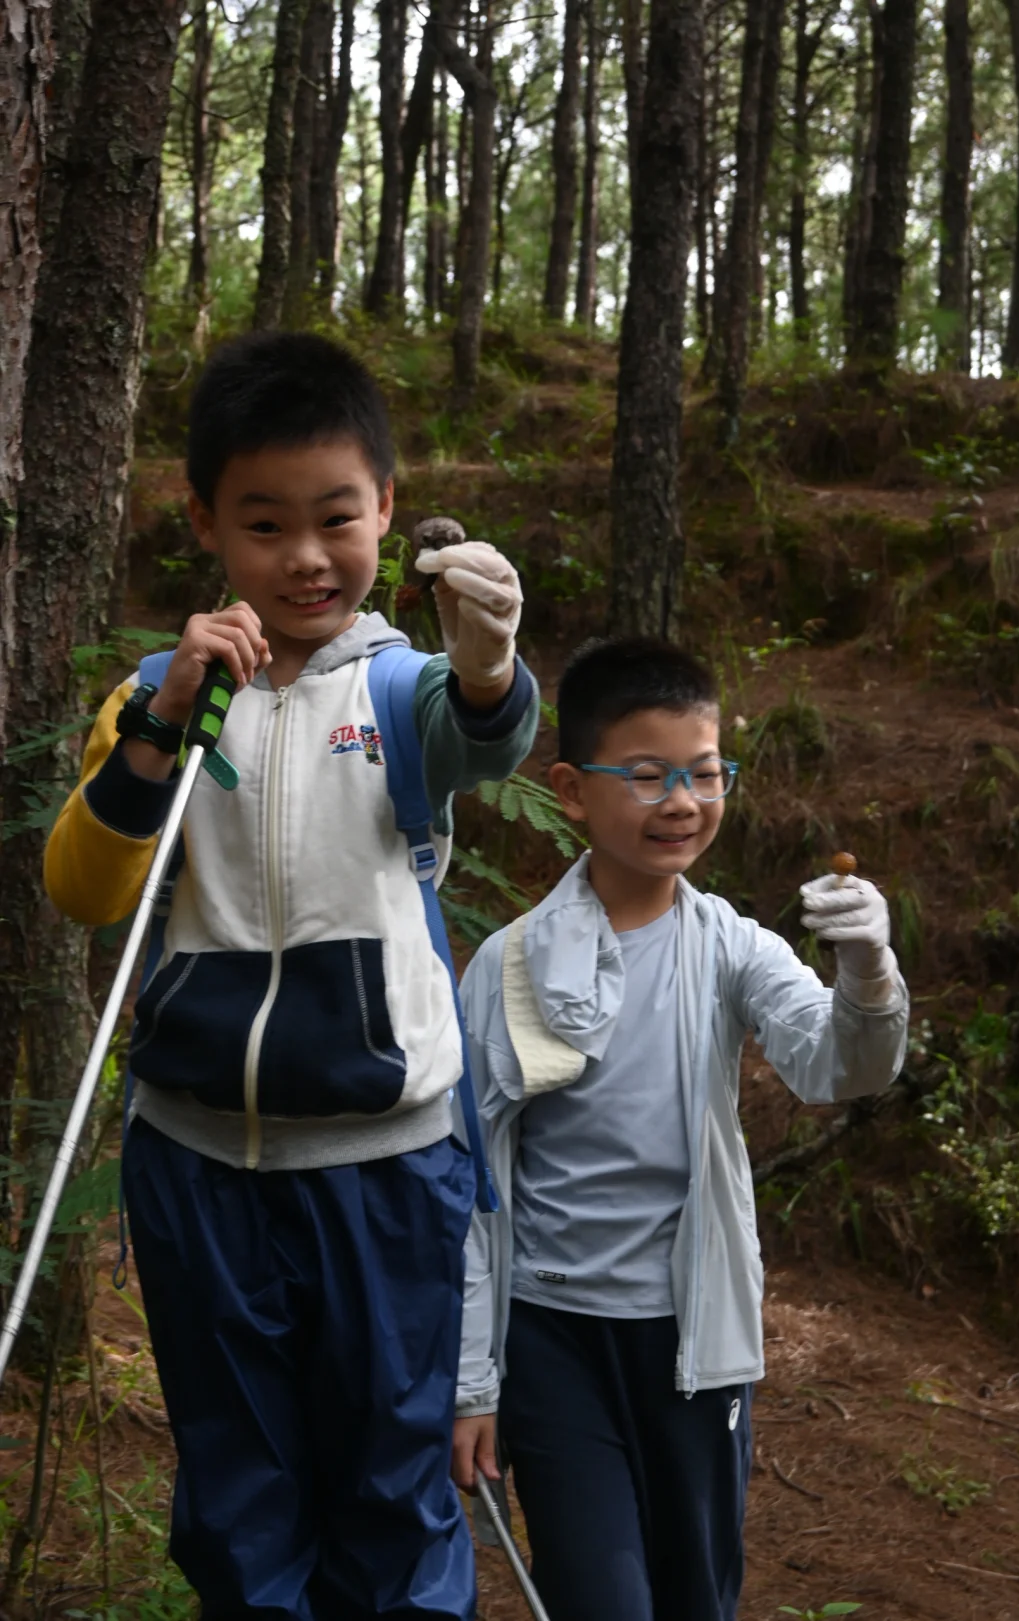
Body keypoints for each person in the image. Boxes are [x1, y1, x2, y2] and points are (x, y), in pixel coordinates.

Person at [45, 331, 539, 1620]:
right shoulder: (158, 691)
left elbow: (481, 737)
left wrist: (487, 662)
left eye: (337, 517)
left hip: (385, 1166)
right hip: (197, 1163)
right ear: (208, 521)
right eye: (265, 523)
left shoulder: (400, 684)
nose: (306, 555)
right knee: (238, 1497)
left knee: (389, 1487)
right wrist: (161, 726)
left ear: (386, 507)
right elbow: (84, 889)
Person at [451, 638, 908, 1621]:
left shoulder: (733, 947)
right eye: (648, 775)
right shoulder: (510, 964)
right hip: (554, 1340)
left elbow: (841, 1064)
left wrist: (866, 967)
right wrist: (471, 1382)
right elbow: (474, 1183)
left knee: (696, 1593)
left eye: (705, 774)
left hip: (696, 1342)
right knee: (598, 1594)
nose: (683, 801)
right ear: (571, 790)